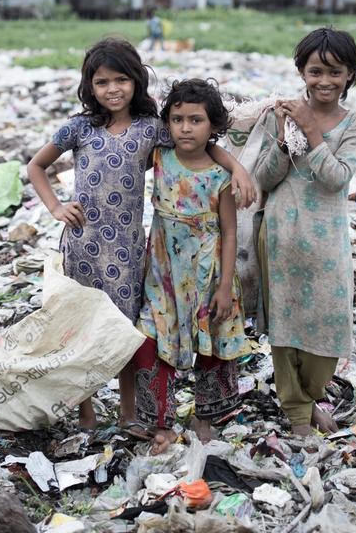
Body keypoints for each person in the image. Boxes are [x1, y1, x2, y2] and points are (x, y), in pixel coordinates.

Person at [26, 37, 254, 431]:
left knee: (126, 332)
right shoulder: (78, 128)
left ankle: (129, 411)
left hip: (129, 252)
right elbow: (36, 167)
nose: (112, 89)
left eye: (121, 80)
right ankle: (86, 411)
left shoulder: (151, 129)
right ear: (89, 87)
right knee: (84, 329)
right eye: (102, 82)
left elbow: (198, 143)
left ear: (136, 82)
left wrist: (238, 169)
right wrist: (56, 207)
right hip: (83, 246)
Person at [253, 27, 356, 438]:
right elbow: (263, 178)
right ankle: (299, 413)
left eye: (334, 72)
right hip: (281, 234)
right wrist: (286, 140)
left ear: (350, 75)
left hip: (326, 243)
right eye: (315, 71)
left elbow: (336, 179)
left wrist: (312, 132)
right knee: (284, 331)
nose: (324, 81)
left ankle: (312, 393)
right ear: (301, 72)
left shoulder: (355, 125)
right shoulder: (278, 115)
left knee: (328, 329)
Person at [131, 79, 252, 453]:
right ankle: (159, 424)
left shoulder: (220, 176)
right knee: (150, 340)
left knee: (211, 344)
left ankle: (206, 415)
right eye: (178, 118)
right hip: (164, 273)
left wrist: (225, 285)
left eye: (196, 120)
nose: (186, 127)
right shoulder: (159, 158)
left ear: (212, 126)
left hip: (209, 273)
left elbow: (230, 233)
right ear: (167, 122)